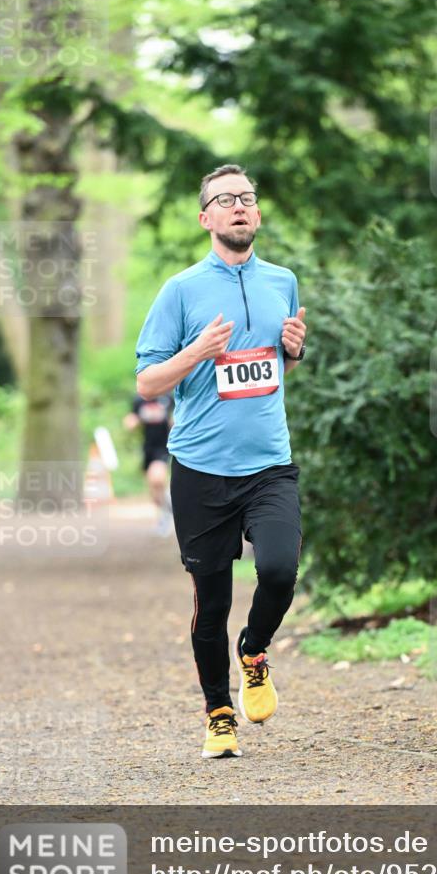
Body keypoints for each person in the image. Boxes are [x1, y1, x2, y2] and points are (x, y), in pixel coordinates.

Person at [135, 164, 307, 759]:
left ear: (256, 215)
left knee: (281, 571)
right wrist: (197, 352)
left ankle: (254, 651)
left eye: (247, 198)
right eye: (224, 200)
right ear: (206, 217)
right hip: (201, 469)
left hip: (269, 464)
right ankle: (219, 713)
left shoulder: (282, 281)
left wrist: (293, 351)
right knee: (210, 603)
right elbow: (150, 380)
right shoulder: (180, 290)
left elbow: (273, 366)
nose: (238, 206)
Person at [123, 393, 174, 536]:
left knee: (157, 478)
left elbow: (175, 418)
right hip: (147, 449)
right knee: (154, 491)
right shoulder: (139, 400)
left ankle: (174, 509)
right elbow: (132, 419)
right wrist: (131, 422)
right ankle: (166, 512)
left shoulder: (168, 398)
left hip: (164, 447)